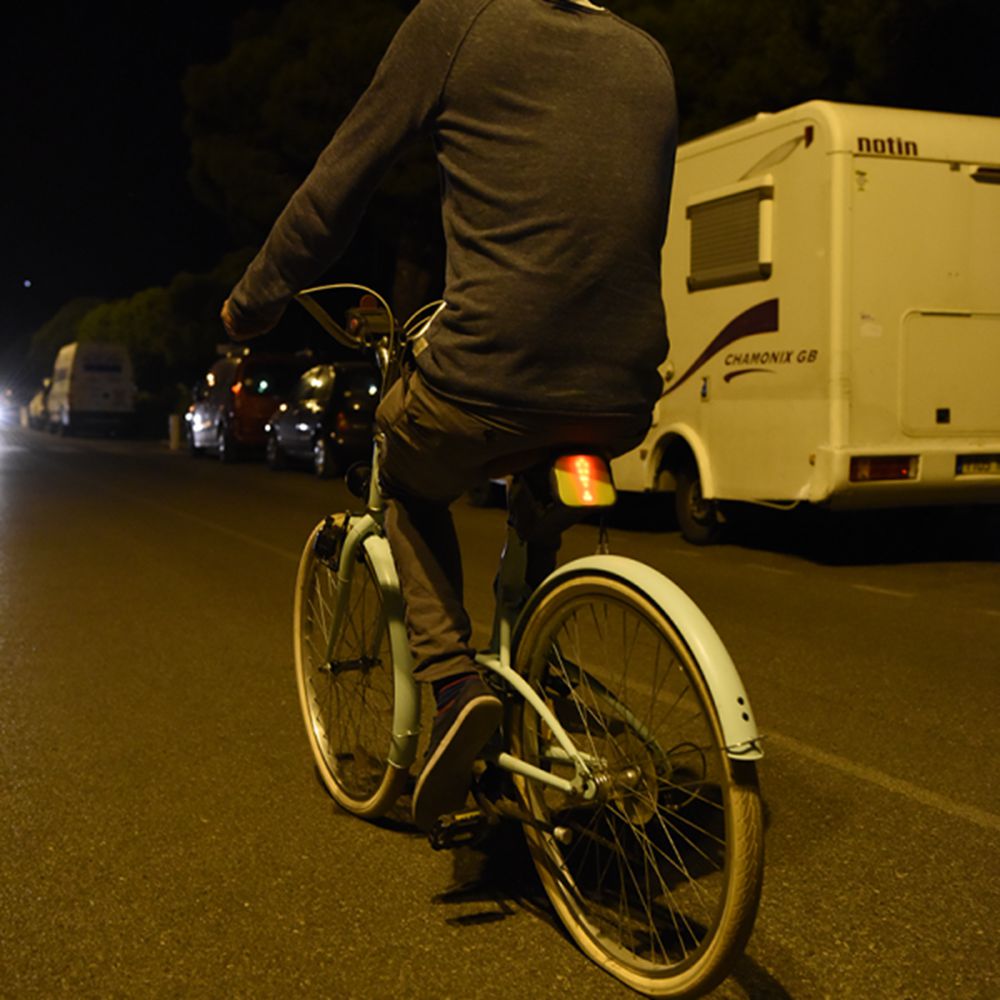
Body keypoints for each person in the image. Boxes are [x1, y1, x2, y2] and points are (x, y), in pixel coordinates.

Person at [222, 0, 678, 832]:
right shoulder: (646, 54)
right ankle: (537, 663)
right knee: (538, 479)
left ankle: (456, 687)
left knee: (402, 462)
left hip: (491, 373)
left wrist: (251, 307)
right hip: (623, 389)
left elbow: (333, 193)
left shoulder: (454, 23)